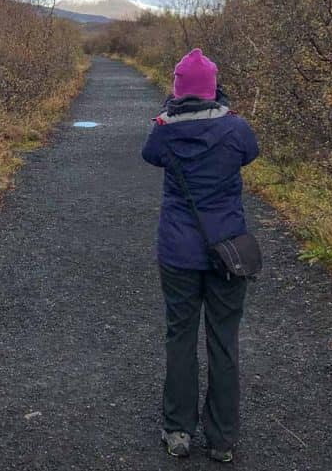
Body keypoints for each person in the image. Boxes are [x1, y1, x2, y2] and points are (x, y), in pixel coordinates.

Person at [141, 48, 259, 462]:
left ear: (177, 91)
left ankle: (178, 430)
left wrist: (167, 112)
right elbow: (251, 153)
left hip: (177, 252)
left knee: (180, 336)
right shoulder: (236, 128)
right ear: (213, 89)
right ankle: (222, 438)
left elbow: (149, 154)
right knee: (224, 340)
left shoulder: (164, 130)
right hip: (227, 251)